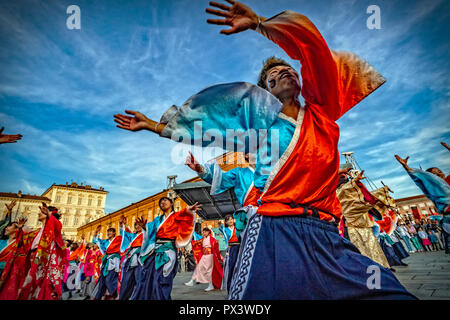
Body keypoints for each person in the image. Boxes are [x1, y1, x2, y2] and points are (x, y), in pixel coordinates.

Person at [114, 0, 415, 300]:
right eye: (275, 75)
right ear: (266, 92)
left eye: (290, 69)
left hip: (326, 233)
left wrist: (260, 23)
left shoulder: (321, 112)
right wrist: (154, 125)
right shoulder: (259, 129)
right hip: (275, 232)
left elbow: (312, 46)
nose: (286, 72)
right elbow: (207, 128)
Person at [185, 151, 255, 292]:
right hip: (250, 219)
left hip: (272, 217)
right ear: (246, 155)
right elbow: (220, 178)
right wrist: (200, 169)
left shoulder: (272, 171)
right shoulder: (240, 173)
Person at [131, 197, 199, 300]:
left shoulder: (176, 216)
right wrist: (144, 227)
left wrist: (189, 209)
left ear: (172, 203)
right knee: (148, 277)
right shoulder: (157, 220)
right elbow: (149, 230)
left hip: (167, 251)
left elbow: (184, 214)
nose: (162, 202)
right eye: (160, 202)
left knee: (162, 279)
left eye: (165, 200)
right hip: (155, 251)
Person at [337, 171, 390, 269]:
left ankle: (380, 273)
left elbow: (369, 201)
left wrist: (383, 192)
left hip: (366, 229)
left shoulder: (356, 196)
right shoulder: (340, 194)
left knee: (374, 255)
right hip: (352, 230)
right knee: (361, 258)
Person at [17, 204, 66, 300]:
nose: (40, 213)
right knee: (31, 284)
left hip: (44, 261)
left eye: (43, 212)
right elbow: (23, 241)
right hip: (34, 259)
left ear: (50, 214)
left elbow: (57, 225)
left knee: (43, 285)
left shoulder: (54, 229)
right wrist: (21, 227)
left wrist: (48, 214)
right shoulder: (38, 231)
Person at [185, 227, 223, 291]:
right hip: (204, 256)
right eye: (203, 231)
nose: (204, 233)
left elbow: (216, 249)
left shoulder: (212, 239)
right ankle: (192, 281)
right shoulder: (202, 239)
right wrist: (191, 241)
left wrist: (219, 257)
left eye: (205, 231)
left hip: (210, 256)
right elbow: (196, 243)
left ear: (209, 232)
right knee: (198, 268)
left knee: (209, 270)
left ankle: (210, 285)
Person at [92, 224, 122, 300]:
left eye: (110, 232)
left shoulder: (118, 239)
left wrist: (121, 225)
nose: (108, 233)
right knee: (102, 281)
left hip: (114, 261)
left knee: (109, 280)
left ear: (114, 233)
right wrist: (96, 231)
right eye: (108, 232)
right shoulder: (105, 241)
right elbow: (95, 240)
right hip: (106, 262)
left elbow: (124, 235)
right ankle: (98, 297)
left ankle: (115, 294)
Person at [118, 215, 143, 300]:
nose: (138, 226)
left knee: (139, 280)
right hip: (130, 258)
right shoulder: (133, 236)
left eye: (140, 224)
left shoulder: (145, 234)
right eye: (136, 225)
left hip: (141, 259)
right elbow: (123, 234)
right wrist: (121, 225)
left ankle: (137, 297)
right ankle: (124, 297)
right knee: (126, 280)